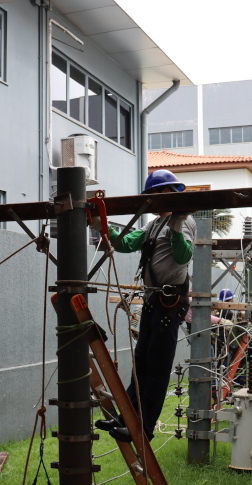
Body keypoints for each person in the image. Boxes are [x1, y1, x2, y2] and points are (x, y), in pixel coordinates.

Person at [94, 170, 196, 443]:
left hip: (169, 302)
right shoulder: (153, 225)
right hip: (155, 301)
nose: (149, 202)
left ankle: (144, 428)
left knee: (157, 367)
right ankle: (127, 417)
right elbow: (126, 242)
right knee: (141, 364)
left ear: (164, 194)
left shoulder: (182, 222)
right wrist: (100, 224)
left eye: (152, 196)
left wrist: (176, 226)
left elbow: (183, 255)